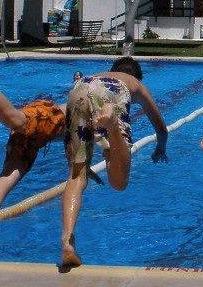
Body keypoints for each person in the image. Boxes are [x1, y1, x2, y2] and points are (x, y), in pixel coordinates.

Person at [0, 61, 123, 261]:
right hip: (49, 117)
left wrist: (86, 166)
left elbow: (79, 142)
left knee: (9, 173)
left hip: (39, 139)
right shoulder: (108, 95)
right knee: (15, 118)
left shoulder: (94, 91)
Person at [60, 56, 169, 269]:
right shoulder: (134, 84)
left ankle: (67, 241)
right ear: (137, 76)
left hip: (78, 89)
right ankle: (111, 125)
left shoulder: (95, 75)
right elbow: (160, 126)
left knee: (76, 177)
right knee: (119, 183)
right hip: (110, 93)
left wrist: (84, 161)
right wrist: (161, 147)